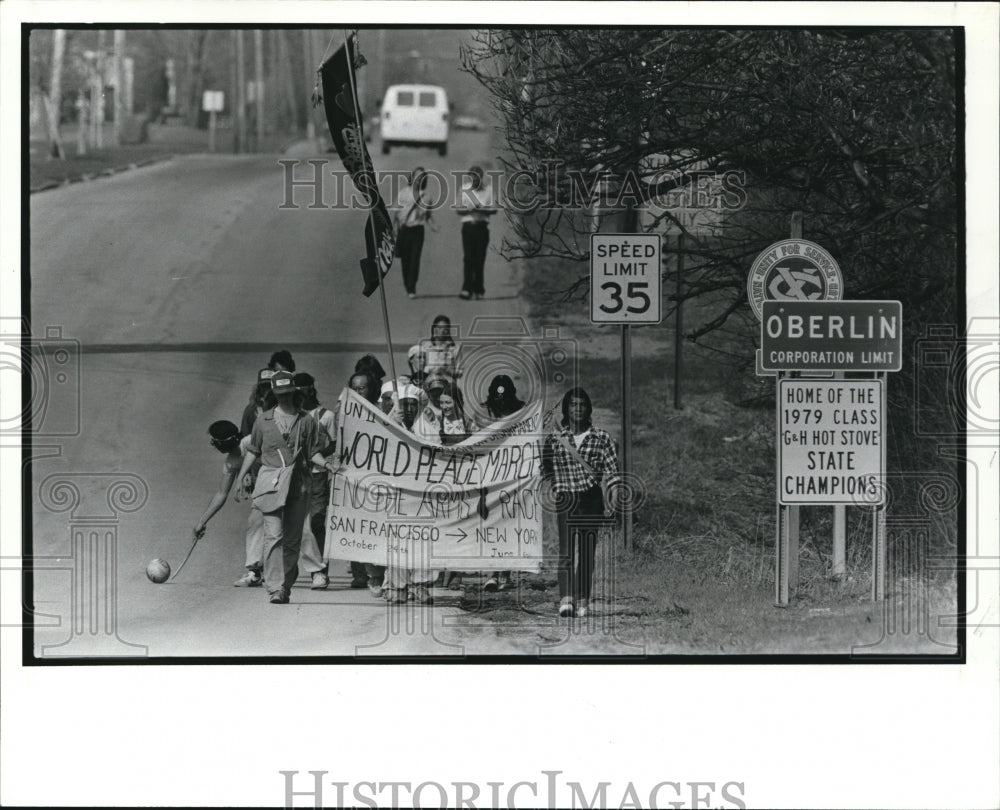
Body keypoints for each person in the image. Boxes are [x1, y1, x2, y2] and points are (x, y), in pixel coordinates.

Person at [235, 371, 331, 604]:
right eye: (280, 394)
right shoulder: (264, 420)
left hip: (297, 486)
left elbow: (313, 452)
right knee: (273, 536)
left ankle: (285, 584)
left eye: (288, 393)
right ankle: (275, 587)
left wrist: (328, 465)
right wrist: (241, 476)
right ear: (275, 394)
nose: (284, 398)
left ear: (294, 393)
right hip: (270, 486)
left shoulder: (307, 421)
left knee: (292, 541)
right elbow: (254, 450)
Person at [541, 387, 621, 618]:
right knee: (566, 551)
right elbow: (545, 467)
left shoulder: (602, 437)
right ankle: (566, 599)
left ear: (588, 409)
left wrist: (615, 491)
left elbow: (612, 470)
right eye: (573, 405)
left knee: (587, 551)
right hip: (566, 498)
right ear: (566, 409)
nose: (578, 409)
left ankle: (583, 598)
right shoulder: (556, 439)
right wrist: (555, 484)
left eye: (582, 405)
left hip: (591, 499)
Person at [382, 384, 436, 604]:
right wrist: (394, 417)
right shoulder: (389, 424)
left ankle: (421, 584)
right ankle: (397, 586)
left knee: (422, 540)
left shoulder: (429, 430)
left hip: (422, 492)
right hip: (397, 491)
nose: (409, 409)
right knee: (397, 540)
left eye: (414, 405)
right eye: (405, 405)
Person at [479, 374, 526, 591]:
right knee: (489, 524)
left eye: (504, 397)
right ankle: (491, 572)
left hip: (513, 476)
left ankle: (504, 573)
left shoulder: (522, 412)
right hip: (489, 476)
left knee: (508, 524)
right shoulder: (482, 413)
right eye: (496, 397)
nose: (500, 401)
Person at [293, 373, 338, 590]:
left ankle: (320, 571)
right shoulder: (293, 416)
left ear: (312, 390)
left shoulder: (326, 415)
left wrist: (317, 452)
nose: (302, 396)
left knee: (317, 521)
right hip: (296, 474)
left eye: (305, 391)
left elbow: (335, 444)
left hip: (318, 473)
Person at [192, 420, 251, 546]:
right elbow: (221, 494)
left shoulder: (250, 441)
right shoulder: (231, 462)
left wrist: (248, 472)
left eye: (214, 441)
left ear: (224, 442)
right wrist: (202, 522)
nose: (212, 444)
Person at [393, 166, 435, 298]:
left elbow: (428, 215)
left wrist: (432, 225)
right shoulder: (404, 192)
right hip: (404, 229)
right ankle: (407, 284)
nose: (419, 179)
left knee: (415, 259)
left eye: (422, 177)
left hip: (418, 230)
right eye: (417, 176)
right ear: (412, 178)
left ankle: (412, 288)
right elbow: (396, 211)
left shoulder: (427, 196)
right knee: (405, 260)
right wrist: (394, 227)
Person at [456, 165, 497, 300]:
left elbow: (494, 209)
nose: (474, 181)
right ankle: (466, 289)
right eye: (472, 178)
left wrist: (481, 209)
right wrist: (469, 209)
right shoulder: (464, 189)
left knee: (480, 259)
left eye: (477, 178)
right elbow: (458, 209)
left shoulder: (489, 190)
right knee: (468, 258)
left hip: (481, 227)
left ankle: (479, 289)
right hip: (468, 227)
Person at [419, 314, 461, 380]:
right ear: (434, 329)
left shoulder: (454, 349)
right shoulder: (426, 347)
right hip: (429, 383)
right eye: (440, 328)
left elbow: (459, 372)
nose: (442, 331)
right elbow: (420, 368)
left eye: (445, 328)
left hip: (448, 384)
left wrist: (445, 370)